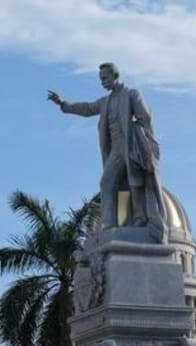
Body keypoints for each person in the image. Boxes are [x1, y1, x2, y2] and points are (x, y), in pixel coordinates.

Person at [48, 62, 168, 242]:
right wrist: (63, 104)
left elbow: (145, 118)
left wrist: (147, 144)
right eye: (101, 79)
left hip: (131, 144)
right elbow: (87, 109)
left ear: (115, 76)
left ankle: (140, 219)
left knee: (135, 182)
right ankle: (110, 224)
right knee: (107, 182)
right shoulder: (105, 102)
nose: (102, 82)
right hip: (116, 149)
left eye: (104, 78)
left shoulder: (131, 94)